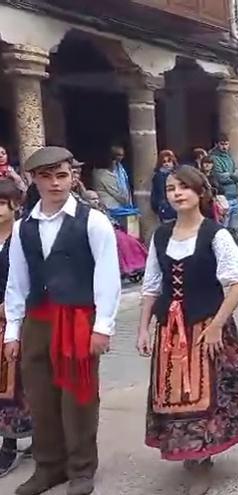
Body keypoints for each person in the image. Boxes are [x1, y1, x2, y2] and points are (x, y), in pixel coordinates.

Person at [136, 166, 238, 495]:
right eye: (171, 188)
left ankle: (202, 457)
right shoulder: (161, 235)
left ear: (200, 193)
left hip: (207, 324)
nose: (177, 193)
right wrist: (142, 329)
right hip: (171, 328)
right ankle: (188, 453)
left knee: (207, 392)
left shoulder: (215, 234)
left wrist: (216, 326)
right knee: (174, 392)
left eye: (184, 187)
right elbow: (152, 286)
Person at [4, 146, 121, 495]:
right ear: (32, 180)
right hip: (38, 320)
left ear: (73, 177)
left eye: (62, 175)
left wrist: (103, 326)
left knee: (78, 397)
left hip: (78, 319)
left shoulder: (93, 221)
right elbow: (16, 282)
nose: (55, 183)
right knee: (40, 398)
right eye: (46, 176)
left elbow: (107, 276)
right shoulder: (24, 226)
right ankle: (49, 467)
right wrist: (13, 330)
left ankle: (81, 469)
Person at [0, 179, 33, 477]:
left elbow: (29, 279)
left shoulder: (23, 236)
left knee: (19, 383)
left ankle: (13, 442)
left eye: (1, 203)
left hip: (18, 319)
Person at [209, 135, 238, 236]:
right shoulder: (214, 158)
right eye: (222, 144)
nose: (224, 147)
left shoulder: (230, 157)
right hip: (224, 198)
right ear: (217, 144)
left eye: (226, 144)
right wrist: (233, 175)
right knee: (223, 229)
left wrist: (230, 174)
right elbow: (220, 178)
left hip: (235, 197)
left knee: (234, 229)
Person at [151, 150, 178, 224]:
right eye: (164, 162)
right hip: (166, 210)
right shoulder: (159, 176)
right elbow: (158, 194)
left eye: (169, 161)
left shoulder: (178, 174)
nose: (166, 164)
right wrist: (162, 206)